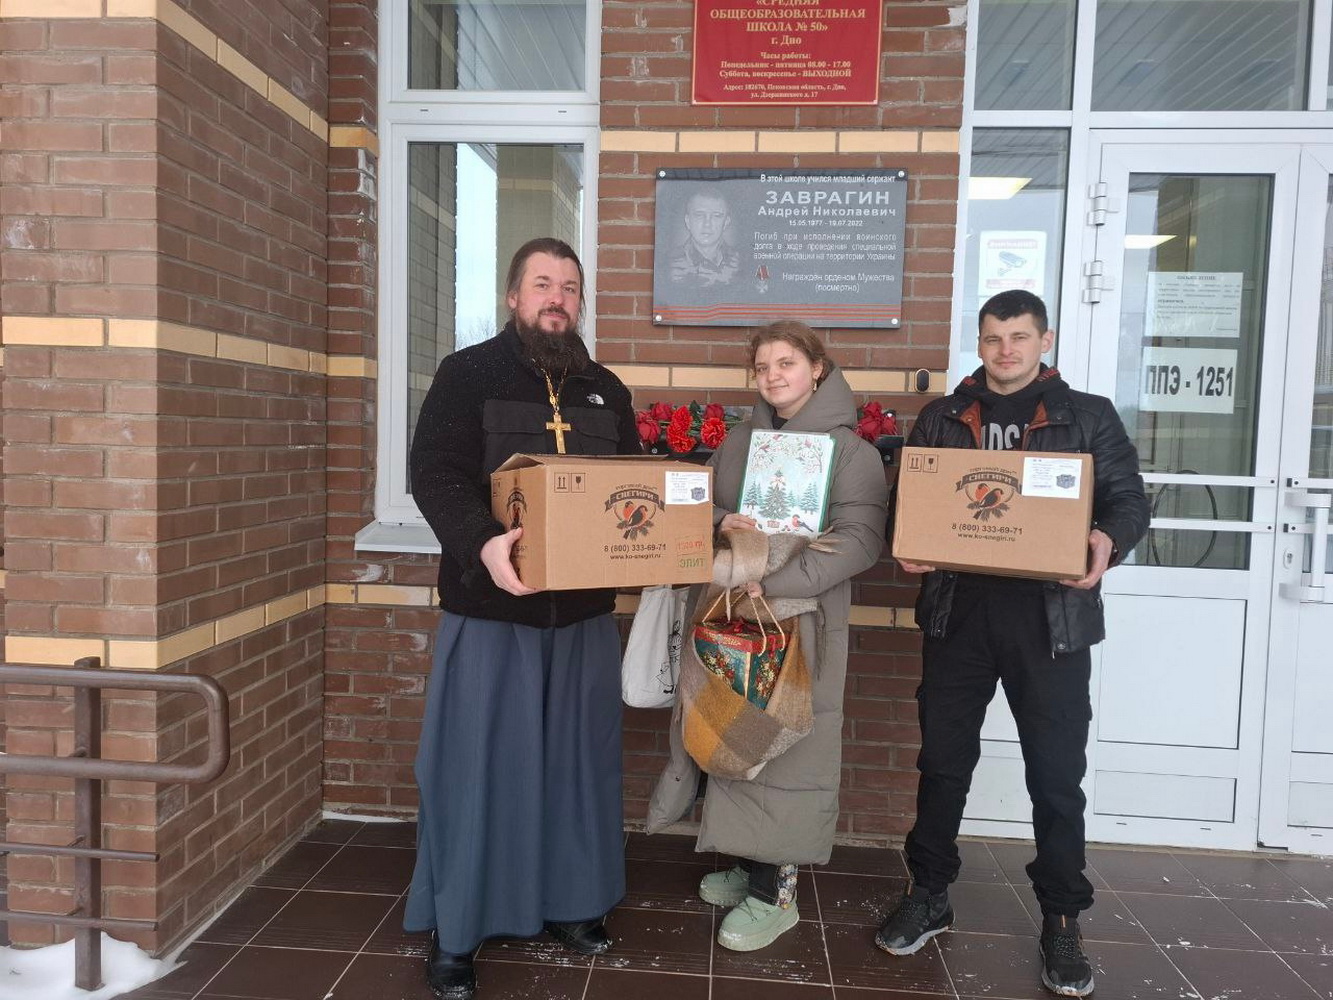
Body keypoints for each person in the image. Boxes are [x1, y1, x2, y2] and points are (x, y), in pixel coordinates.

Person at [876, 290, 1149, 998]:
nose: (1006, 350)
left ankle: (1061, 918)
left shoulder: (1087, 415)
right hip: (958, 613)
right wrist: (905, 539)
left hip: (1049, 620)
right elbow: (906, 504)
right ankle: (928, 894)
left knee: (1055, 776)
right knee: (942, 764)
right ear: (979, 342)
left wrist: (1107, 538)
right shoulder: (941, 416)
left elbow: (1128, 498)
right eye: (994, 338)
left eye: (1019, 337)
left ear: (1043, 340)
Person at [404, 237, 641, 999]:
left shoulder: (605, 390)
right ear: (513, 296)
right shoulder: (466, 373)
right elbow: (433, 472)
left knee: (577, 766)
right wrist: (481, 541)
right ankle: (459, 928)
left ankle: (572, 904)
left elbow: (635, 489)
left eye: (568, 286)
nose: (556, 298)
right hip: (491, 613)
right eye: (542, 284)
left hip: (582, 620)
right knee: (478, 771)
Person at [648, 321, 887, 951]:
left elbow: (861, 540)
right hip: (732, 612)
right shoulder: (739, 444)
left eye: (787, 363)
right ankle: (747, 857)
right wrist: (724, 518)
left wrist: (773, 585)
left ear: (817, 368)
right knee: (734, 729)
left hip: (802, 620)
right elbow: (694, 504)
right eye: (762, 367)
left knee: (787, 745)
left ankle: (776, 893)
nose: (773, 376)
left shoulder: (851, 453)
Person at [670, 189, 740, 286]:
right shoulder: (667, 264)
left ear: (726, 223)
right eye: (699, 215)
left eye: (716, 216)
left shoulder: (743, 264)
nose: (707, 224)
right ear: (688, 221)